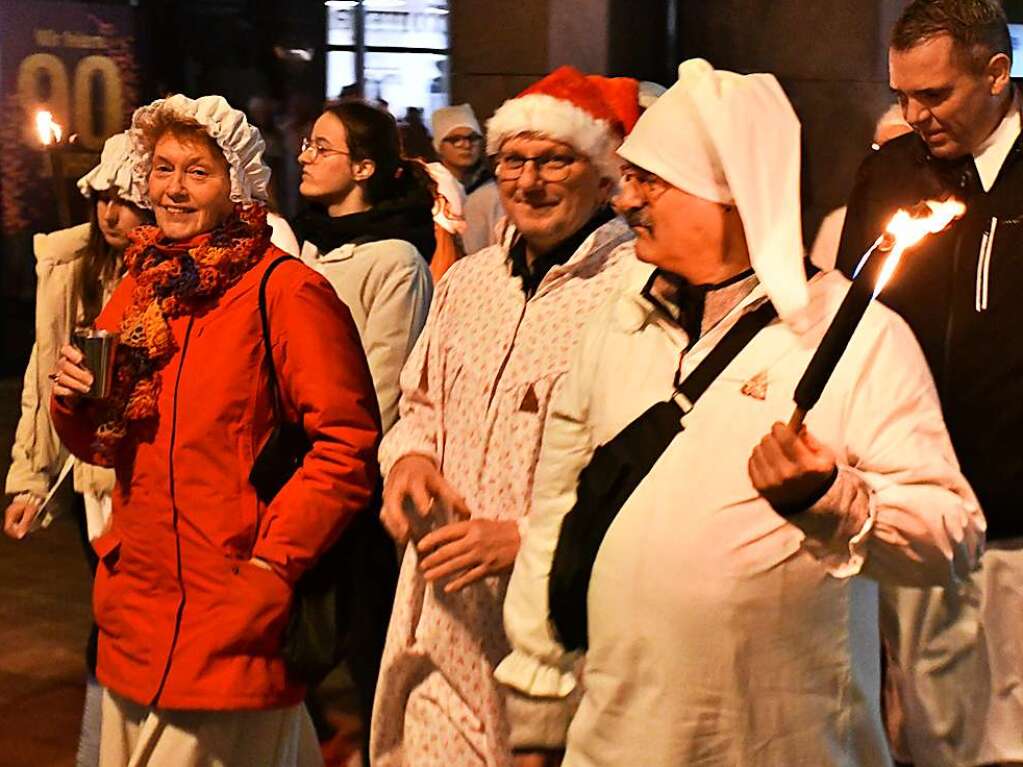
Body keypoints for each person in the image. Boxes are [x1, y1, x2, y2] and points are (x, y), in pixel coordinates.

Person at [498, 58, 984, 767]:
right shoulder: (613, 324)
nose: (625, 200)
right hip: (612, 740)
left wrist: (832, 502)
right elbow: (559, 512)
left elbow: (951, 535)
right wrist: (538, 709)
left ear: (726, 192)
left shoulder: (855, 339)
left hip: (780, 744)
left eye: (650, 180)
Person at [48, 93, 381, 767]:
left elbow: (346, 446)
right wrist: (74, 403)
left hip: (233, 618)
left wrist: (270, 565)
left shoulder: (284, 291)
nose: (173, 188)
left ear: (238, 183)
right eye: (163, 168)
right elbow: (102, 442)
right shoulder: (140, 286)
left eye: (196, 171)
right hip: (136, 609)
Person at [369, 66, 641, 767]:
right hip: (443, 623)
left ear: (604, 172)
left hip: (561, 634)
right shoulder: (468, 282)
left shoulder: (634, 292)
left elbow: (648, 475)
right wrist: (408, 459)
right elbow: (420, 404)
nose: (528, 180)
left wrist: (526, 538)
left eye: (554, 159)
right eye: (513, 159)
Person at [835, 2, 1022, 764]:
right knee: (932, 733)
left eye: (934, 95)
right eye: (901, 95)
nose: (913, 114)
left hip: (1018, 517)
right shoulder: (888, 174)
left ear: (996, 74)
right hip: (914, 513)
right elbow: (850, 324)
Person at [4, 131, 150, 767]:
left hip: (148, 468)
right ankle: (100, 748)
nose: (111, 213)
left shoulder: (174, 270)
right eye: (102, 199)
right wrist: (30, 481)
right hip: (89, 474)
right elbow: (44, 380)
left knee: (137, 615)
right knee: (109, 610)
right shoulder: (69, 269)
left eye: (125, 199)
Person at [296, 100, 435, 432]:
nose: (305, 157)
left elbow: (383, 390)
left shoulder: (397, 261)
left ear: (363, 168)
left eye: (321, 149)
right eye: (307, 145)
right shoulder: (313, 242)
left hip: (346, 457)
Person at [809, 104, 912, 271]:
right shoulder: (837, 223)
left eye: (900, 153)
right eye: (881, 151)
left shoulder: (939, 220)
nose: (888, 164)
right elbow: (824, 287)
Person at [432, 104, 504, 255]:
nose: (466, 145)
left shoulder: (492, 192)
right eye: (455, 139)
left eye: (472, 138)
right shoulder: (431, 190)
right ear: (439, 146)